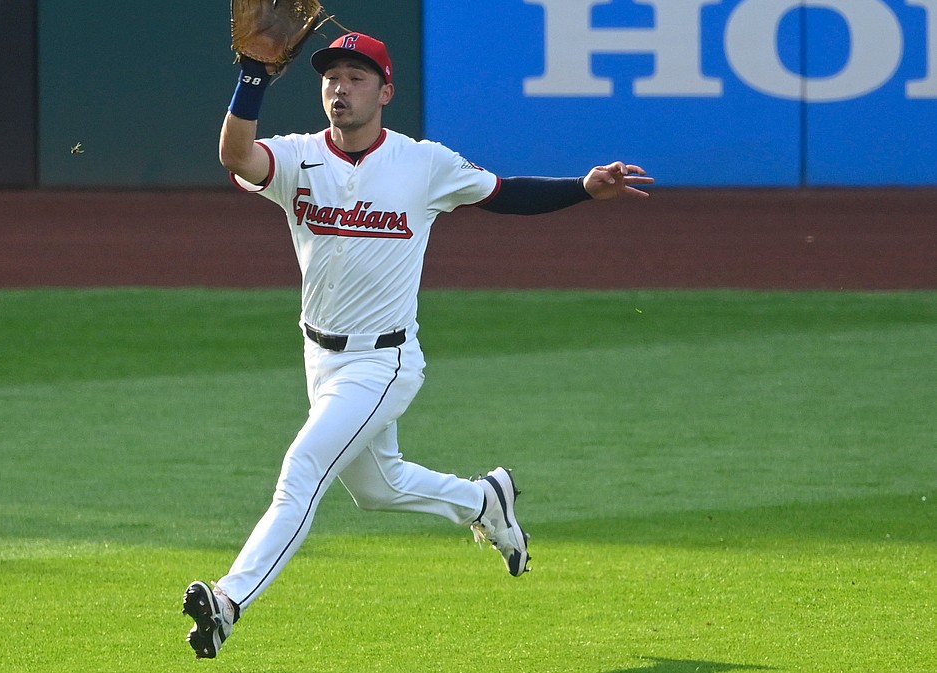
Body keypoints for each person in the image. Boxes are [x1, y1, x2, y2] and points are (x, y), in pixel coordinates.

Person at [182, 32, 652, 658]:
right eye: (331, 77)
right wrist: (253, 78)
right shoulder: (297, 158)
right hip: (319, 357)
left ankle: (229, 601)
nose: (340, 88)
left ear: (386, 91)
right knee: (378, 488)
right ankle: (485, 499)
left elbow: (504, 194)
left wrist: (583, 188)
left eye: (356, 77)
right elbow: (237, 156)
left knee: (303, 470)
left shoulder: (422, 164)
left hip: (384, 361)